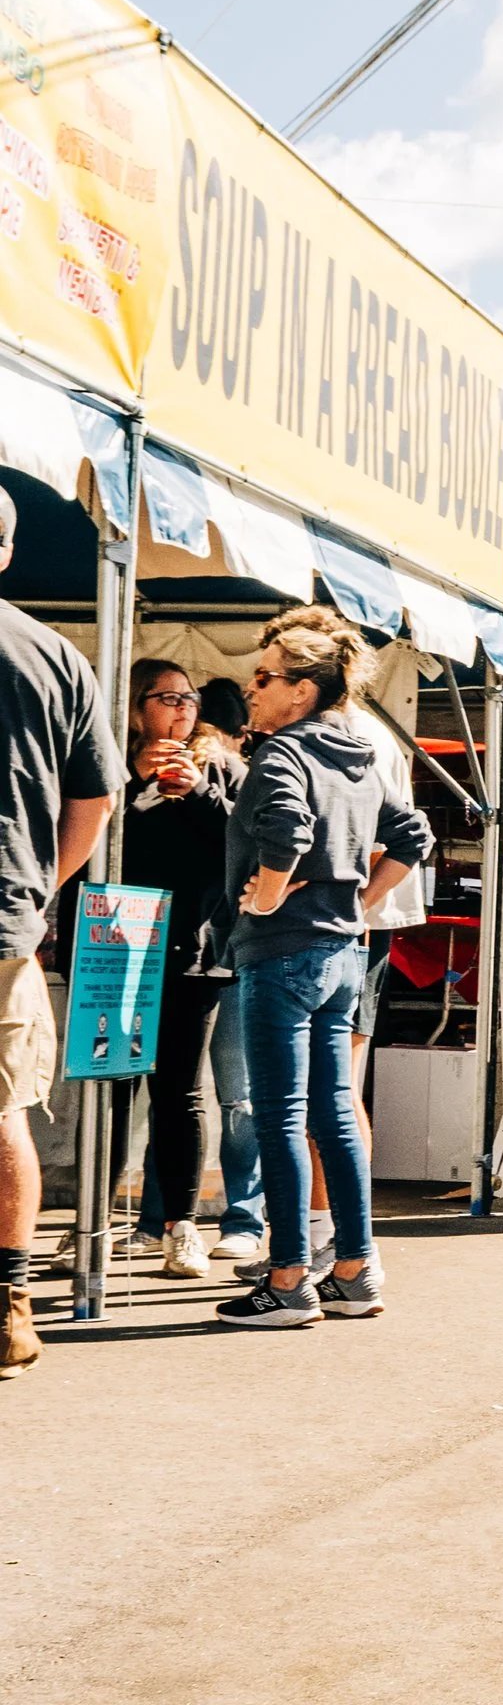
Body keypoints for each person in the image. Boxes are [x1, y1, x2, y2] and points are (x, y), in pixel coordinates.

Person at [215, 610, 432, 1328]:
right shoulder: (356, 751)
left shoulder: (283, 754)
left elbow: (288, 829)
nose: (253, 686)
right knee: (332, 1113)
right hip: (342, 953)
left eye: (266, 675)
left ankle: (286, 1281)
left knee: (280, 1116)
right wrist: (362, 902)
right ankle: (354, 1270)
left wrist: (268, 894)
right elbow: (413, 834)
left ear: (302, 689)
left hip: (283, 953)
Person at [0, 489, 121, 1372]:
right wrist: (42, 885)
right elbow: (97, 799)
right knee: (2, 1110)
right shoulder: (53, 656)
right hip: (5, 915)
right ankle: (9, 1306)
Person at [116, 661, 242, 1281]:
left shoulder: (220, 767)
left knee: (179, 1092)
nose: (183, 710)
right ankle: (96, 1219)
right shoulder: (109, 761)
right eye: (167, 698)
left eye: (189, 699)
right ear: (138, 707)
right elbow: (95, 837)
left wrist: (195, 789)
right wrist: (133, 787)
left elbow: (239, 847)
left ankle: (181, 1229)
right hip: (114, 944)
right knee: (110, 1085)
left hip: (193, 951)